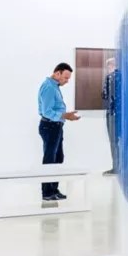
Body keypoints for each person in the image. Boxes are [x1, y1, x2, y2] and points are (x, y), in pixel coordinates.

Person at [38, 63, 80, 201]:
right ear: (57, 74)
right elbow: (46, 111)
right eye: (66, 78)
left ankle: (53, 189)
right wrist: (65, 116)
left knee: (58, 158)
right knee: (50, 160)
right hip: (49, 126)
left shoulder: (54, 86)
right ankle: (46, 192)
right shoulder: (49, 87)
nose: (67, 81)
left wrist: (65, 116)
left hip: (56, 126)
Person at [101, 57, 120, 175]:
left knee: (114, 141)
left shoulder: (110, 77)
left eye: (108, 66)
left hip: (113, 113)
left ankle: (116, 167)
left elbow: (104, 95)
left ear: (111, 66)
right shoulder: (126, 78)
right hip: (125, 116)